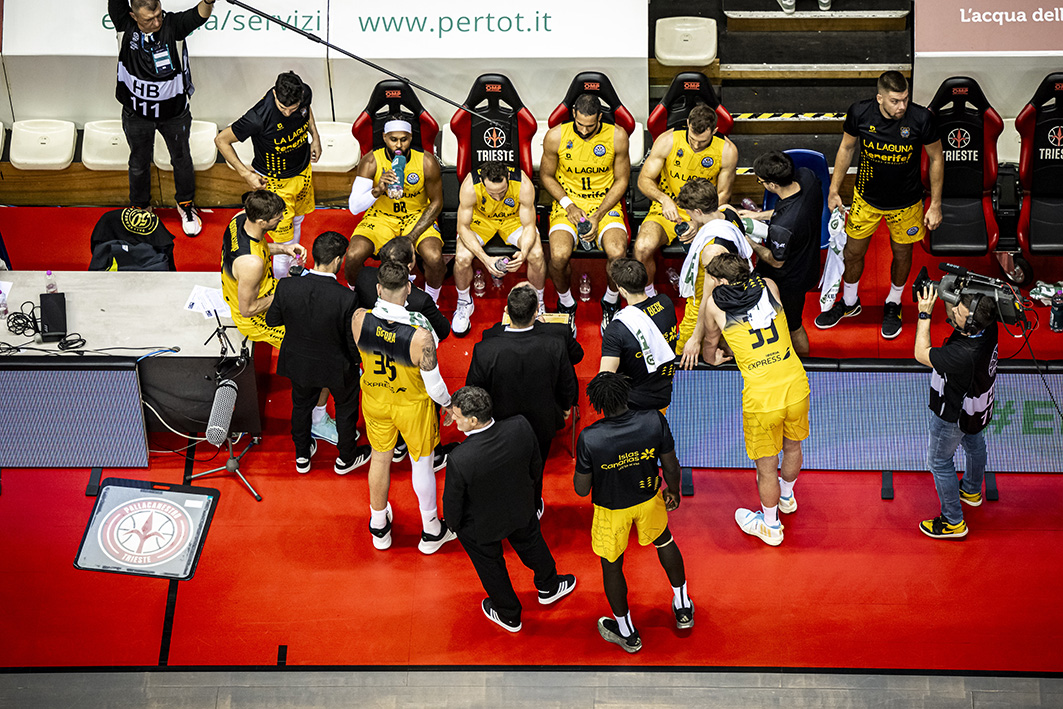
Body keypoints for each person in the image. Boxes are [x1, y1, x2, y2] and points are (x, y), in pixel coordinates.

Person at [819, 70, 943, 339]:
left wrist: (935, 204)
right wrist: (833, 190)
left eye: (905, 99)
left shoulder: (921, 118)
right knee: (853, 252)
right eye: (895, 101)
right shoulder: (860, 113)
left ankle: (894, 303)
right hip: (866, 199)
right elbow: (846, 148)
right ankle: (849, 302)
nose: (902, 106)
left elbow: (936, 158)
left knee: (902, 254)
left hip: (907, 203)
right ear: (880, 98)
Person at [575, 372, 692, 654]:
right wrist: (673, 491)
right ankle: (683, 607)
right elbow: (671, 464)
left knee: (611, 564)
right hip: (649, 499)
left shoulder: (590, 438)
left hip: (611, 510)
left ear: (597, 405)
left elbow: (581, 489)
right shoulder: (653, 420)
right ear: (626, 394)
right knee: (664, 541)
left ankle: (627, 633)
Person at [443, 386, 576, 633]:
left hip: (480, 524)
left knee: (490, 566)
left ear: (473, 420)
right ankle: (549, 585)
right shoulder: (520, 426)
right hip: (520, 508)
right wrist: (530, 499)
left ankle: (508, 614)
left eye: (457, 416)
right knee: (532, 544)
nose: (453, 419)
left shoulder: (460, 458)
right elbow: (536, 466)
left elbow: (452, 503)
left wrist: (455, 526)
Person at [700, 253, 810, 547]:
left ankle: (771, 525)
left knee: (766, 467)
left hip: (762, 399)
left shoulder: (714, 306)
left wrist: (716, 357)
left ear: (722, 281)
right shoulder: (769, 286)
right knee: (793, 446)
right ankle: (787, 497)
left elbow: (710, 349)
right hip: (796, 385)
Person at [351, 261, 456, 554]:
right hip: (412, 405)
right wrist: (448, 404)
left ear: (378, 289)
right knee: (422, 463)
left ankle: (379, 525)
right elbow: (434, 385)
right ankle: (431, 530)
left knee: (379, 458)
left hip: (375, 400)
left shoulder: (358, 318)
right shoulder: (421, 335)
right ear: (408, 288)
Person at [265, 231, 372, 474]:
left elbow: (272, 321)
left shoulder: (286, 286)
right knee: (345, 409)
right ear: (337, 260)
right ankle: (346, 458)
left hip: (299, 363)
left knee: (301, 407)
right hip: (337, 367)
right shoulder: (347, 298)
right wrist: (357, 364)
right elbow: (351, 342)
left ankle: (302, 456)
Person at [466, 283, 578, 510]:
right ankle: (533, 505)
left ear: (507, 311)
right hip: (542, 421)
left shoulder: (485, 348)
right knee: (536, 467)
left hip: (499, 422)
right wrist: (566, 406)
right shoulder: (555, 344)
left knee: (502, 464)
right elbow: (568, 383)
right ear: (536, 312)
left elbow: (474, 390)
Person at [108, 0, 213, 236]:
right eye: (149, 19)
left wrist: (209, 1)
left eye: (158, 15)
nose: (156, 22)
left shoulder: (173, 25)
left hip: (173, 114)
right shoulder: (124, 24)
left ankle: (185, 204)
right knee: (138, 162)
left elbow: (200, 15)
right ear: (134, 16)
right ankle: (140, 207)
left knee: (181, 159)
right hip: (137, 114)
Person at [216, 72, 322, 279]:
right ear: (274, 94)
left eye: (293, 108)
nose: (288, 113)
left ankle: (294, 267)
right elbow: (221, 140)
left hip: (302, 172)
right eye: (283, 108)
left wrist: (315, 137)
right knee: (284, 241)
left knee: (297, 220)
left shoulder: (305, 94)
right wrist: (246, 174)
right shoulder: (258, 116)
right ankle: (282, 285)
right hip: (275, 182)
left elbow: (307, 111)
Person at [540, 94, 631, 334]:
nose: (584, 130)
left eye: (590, 126)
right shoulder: (556, 136)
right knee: (558, 256)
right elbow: (546, 176)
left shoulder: (617, 136)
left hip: (605, 204)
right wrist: (569, 205)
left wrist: (598, 214)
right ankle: (566, 303)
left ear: (600, 117)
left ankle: (610, 301)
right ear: (573, 114)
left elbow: (622, 180)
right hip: (568, 204)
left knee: (617, 252)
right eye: (580, 124)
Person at [913, 284, 998, 540]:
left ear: (970, 323)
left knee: (939, 462)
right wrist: (946, 291)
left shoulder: (962, 354)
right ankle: (971, 490)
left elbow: (921, 353)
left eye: (958, 311)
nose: (953, 313)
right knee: (974, 442)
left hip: (952, 413)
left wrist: (924, 314)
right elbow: (961, 317)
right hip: (976, 406)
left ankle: (953, 522)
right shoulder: (989, 324)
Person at [633, 104, 738, 292]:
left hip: (704, 213)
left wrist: (698, 221)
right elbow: (644, 179)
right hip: (667, 208)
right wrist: (663, 199)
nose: (696, 145)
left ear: (714, 131)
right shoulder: (668, 140)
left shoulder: (727, 150)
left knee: (714, 255)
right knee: (641, 248)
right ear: (688, 124)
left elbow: (723, 195)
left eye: (702, 141)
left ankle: (710, 297)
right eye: (693, 139)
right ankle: (649, 296)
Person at [345, 116, 445, 303]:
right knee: (353, 255)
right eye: (393, 139)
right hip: (381, 216)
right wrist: (377, 190)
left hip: (415, 216)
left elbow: (436, 203)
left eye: (404, 139)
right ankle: (356, 298)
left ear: (411, 138)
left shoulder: (426, 161)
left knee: (434, 257)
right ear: (384, 137)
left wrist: (411, 238)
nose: (399, 144)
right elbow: (354, 207)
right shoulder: (371, 161)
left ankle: (431, 302)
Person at [741, 151, 823, 357]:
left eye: (761, 181)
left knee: (793, 325)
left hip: (789, 280)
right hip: (809, 262)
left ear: (772, 185)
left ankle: (805, 363)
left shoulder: (783, 228)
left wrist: (750, 243)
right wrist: (758, 216)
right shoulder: (807, 177)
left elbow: (776, 261)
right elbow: (787, 210)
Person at [451, 161, 546, 336]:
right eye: (492, 193)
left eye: (502, 192)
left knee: (536, 254)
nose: (497, 197)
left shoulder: (523, 184)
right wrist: (486, 259)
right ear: (482, 181)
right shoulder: (470, 185)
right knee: (462, 258)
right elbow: (463, 227)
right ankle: (464, 303)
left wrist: (523, 253)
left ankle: (538, 304)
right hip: (481, 221)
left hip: (512, 220)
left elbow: (529, 226)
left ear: (508, 177)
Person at [674, 177, 752, 368]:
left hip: (702, 307)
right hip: (733, 295)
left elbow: (709, 299)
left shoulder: (713, 251)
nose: (689, 217)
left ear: (698, 211)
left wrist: (695, 338)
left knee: (685, 358)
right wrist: (697, 224)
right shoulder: (728, 211)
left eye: (690, 213)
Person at [219, 190, 305, 351]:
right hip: (255, 319)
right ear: (261, 222)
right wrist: (285, 293)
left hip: (267, 289)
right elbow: (248, 310)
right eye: (277, 217)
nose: (282, 218)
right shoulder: (252, 264)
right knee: (305, 340)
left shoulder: (239, 219)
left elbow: (257, 248)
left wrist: (284, 249)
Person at [599, 258, 678, 412]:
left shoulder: (616, 329)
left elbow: (605, 380)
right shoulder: (666, 302)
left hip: (633, 405)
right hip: (666, 394)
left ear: (622, 290)